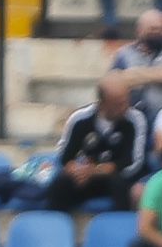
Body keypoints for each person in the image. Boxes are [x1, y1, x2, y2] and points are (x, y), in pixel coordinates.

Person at [46, 73, 148, 214]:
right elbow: (65, 157)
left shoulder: (135, 120)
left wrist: (94, 171)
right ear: (102, 103)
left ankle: (119, 229)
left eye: (126, 101)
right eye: (118, 104)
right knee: (60, 184)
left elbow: (133, 163)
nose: (125, 107)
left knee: (120, 185)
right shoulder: (79, 120)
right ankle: (56, 226)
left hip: (118, 178)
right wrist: (77, 171)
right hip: (85, 178)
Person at [110, 8, 162, 122]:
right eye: (154, 29)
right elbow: (115, 81)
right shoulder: (124, 54)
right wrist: (156, 74)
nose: (160, 33)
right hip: (132, 118)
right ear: (140, 30)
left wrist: (134, 75)